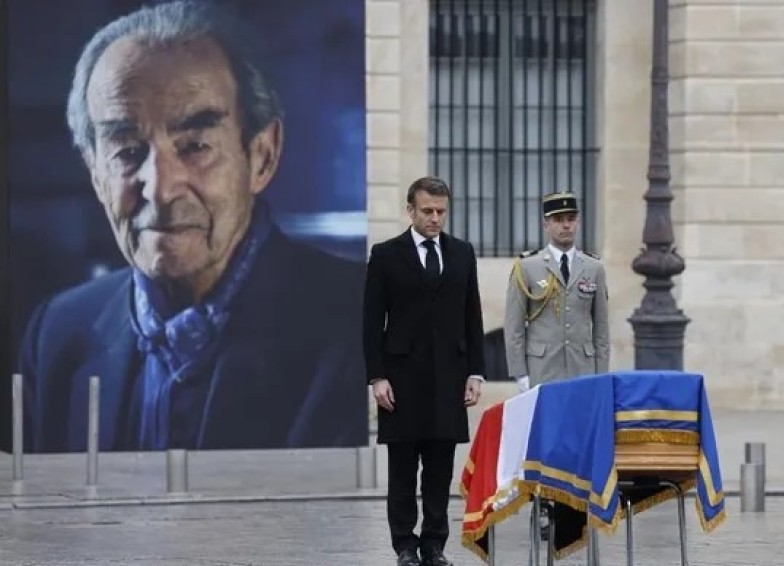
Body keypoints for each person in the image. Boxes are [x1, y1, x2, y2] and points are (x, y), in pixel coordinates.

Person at [19, 0, 366, 452]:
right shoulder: (58, 334)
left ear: (262, 156)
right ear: (95, 173)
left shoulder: (365, 324)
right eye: (127, 152)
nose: (161, 189)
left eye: (196, 146)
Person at [362, 176, 486, 566]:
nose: (435, 218)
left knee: (439, 469)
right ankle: (404, 545)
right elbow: (371, 322)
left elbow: (472, 316)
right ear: (410, 210)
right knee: (402, 469)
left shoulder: (462, 253)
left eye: (441, 212)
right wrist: (376, 376)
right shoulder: (385, 255)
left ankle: (434, 544)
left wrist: (476, 372)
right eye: (428, 211)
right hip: (400, 380)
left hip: (449, 378)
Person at [502, 191, 610, 543]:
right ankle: (544, 504)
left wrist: (601, 374)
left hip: (581, 369)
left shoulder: (593, 267)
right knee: (546, 443)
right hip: (543, 369)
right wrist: (520, 373)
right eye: (559, 220)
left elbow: (602, 329)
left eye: (571, 219)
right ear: (545, 224)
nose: (566, 225)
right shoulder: (528, 267)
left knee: (577, 440)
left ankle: (574, 506)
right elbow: (514, 326)